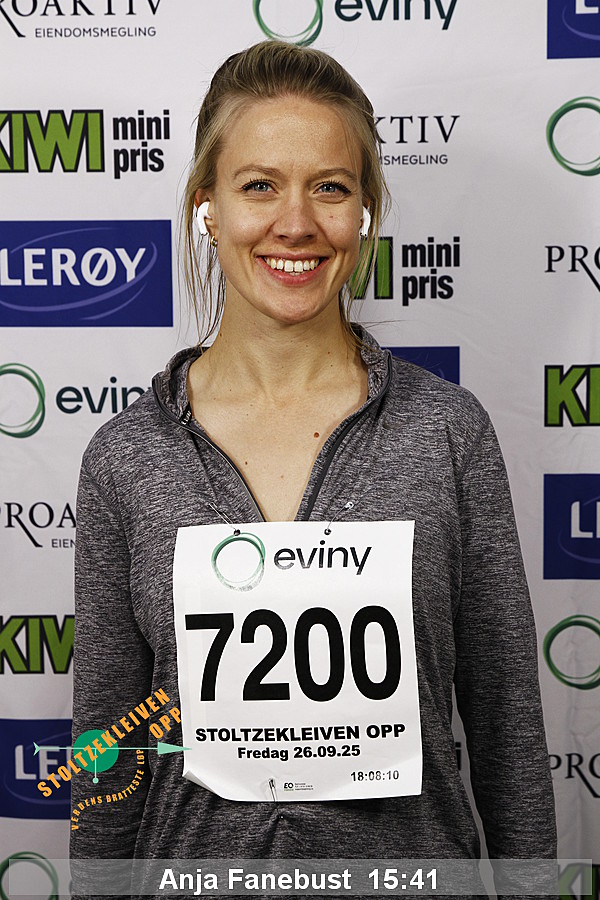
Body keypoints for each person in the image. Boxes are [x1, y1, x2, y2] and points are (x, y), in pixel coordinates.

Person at [70, 40, 556, 893]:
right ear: (207, 207)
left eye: (329, 187)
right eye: (260, 185)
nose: (295, 223)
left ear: (364, 210)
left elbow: (506, 722)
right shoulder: (126, 456)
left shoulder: (449, 432)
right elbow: (108, 745)